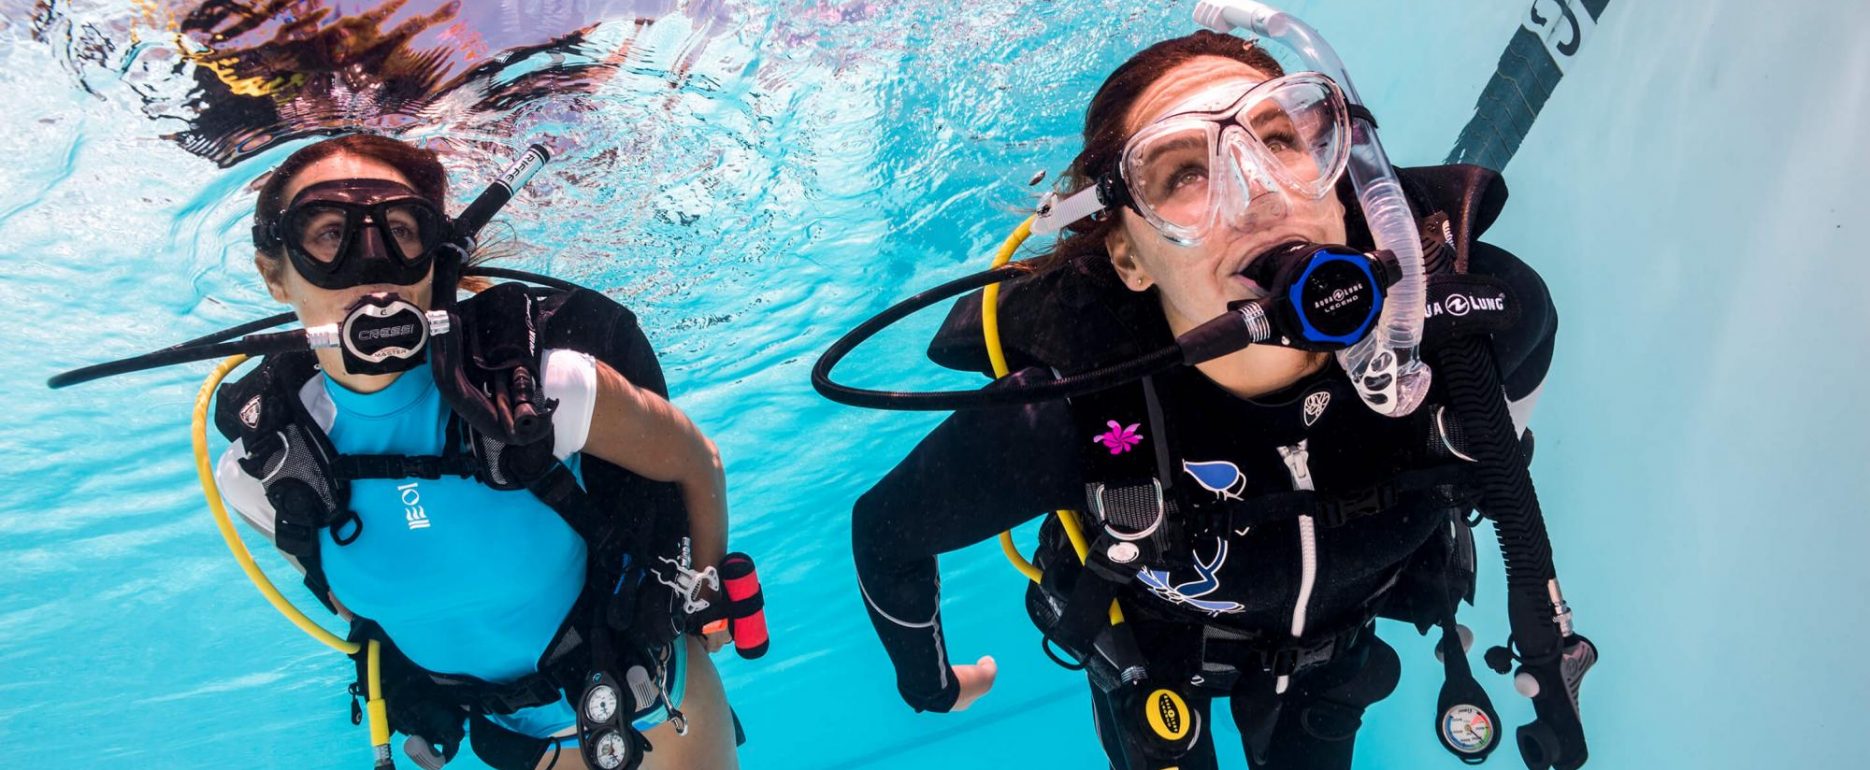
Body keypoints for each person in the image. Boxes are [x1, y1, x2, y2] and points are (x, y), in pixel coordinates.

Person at [847, 18, 1594, 770]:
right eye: (1184, 175)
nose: (1259, 193)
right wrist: (935, 687)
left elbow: (1491, 463)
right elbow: (886, 534)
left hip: (1333, 661)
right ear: (1129, 257)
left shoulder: (1483, 326)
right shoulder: (1071, 416)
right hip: (1159, 667)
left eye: (1279, 140)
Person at [212, 133, 742, 770]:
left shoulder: (544, 391)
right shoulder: (262, 471)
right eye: (328, 233)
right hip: (514, 739)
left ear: (435, 257)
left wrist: (704, 599)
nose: (371, 264)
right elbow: (352, 600)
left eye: (400, 230)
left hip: (653, 708)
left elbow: (697, 461)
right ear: (274, 274)